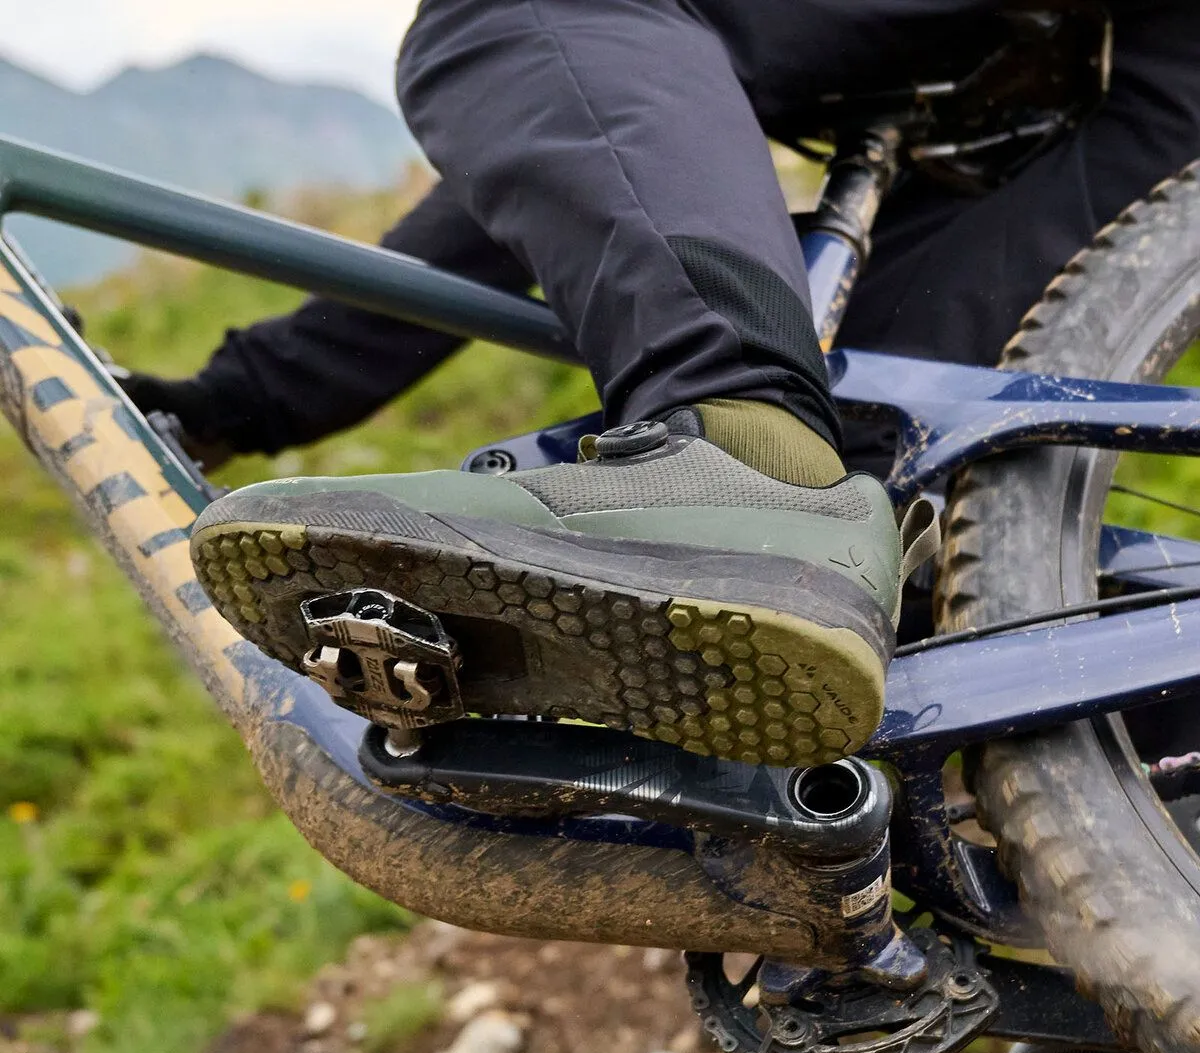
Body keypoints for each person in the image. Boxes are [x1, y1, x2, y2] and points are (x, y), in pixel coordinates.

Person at [181, 0, 1200, 768]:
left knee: (507, 12)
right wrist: (242, 399)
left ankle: (741, 454)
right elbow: (582, 130)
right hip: (1151, 86)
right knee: (873, 486)